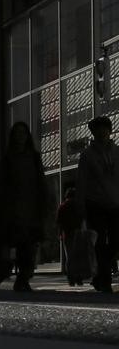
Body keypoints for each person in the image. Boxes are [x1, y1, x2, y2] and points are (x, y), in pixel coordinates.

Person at [0, 121, 48, 292]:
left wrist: (44, 203)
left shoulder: (34, 157)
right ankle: (3, 274)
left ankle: (23, 277)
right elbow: (1, 185)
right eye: (17, 133)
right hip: (11, 209)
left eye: (23, 133)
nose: (20, 136)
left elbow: (41, 181)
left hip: (30, 207)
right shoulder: (8, 158)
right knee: (8, 244)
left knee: (28, 246)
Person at [76, 115, 119, 293]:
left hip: (116, 202)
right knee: (99, 243)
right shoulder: (87, 155)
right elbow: (81, 182)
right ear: (93, 133)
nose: (102, 133)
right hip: (95, 203)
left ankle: (100, 275)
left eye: (105, 129)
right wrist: (80, 207)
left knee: (116, 241)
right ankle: (105, 279)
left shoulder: (117, 152)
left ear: (110, 131)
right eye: (98, 130)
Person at [56, 187, 85, 286]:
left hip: (67, 233)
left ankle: (71, 278)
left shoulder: (63, 206)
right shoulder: (78, 206)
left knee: (69, 257)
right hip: (78, 232)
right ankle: (79, 278)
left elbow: (59, 222)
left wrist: (60, 234)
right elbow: (83, 219)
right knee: (78, 256)